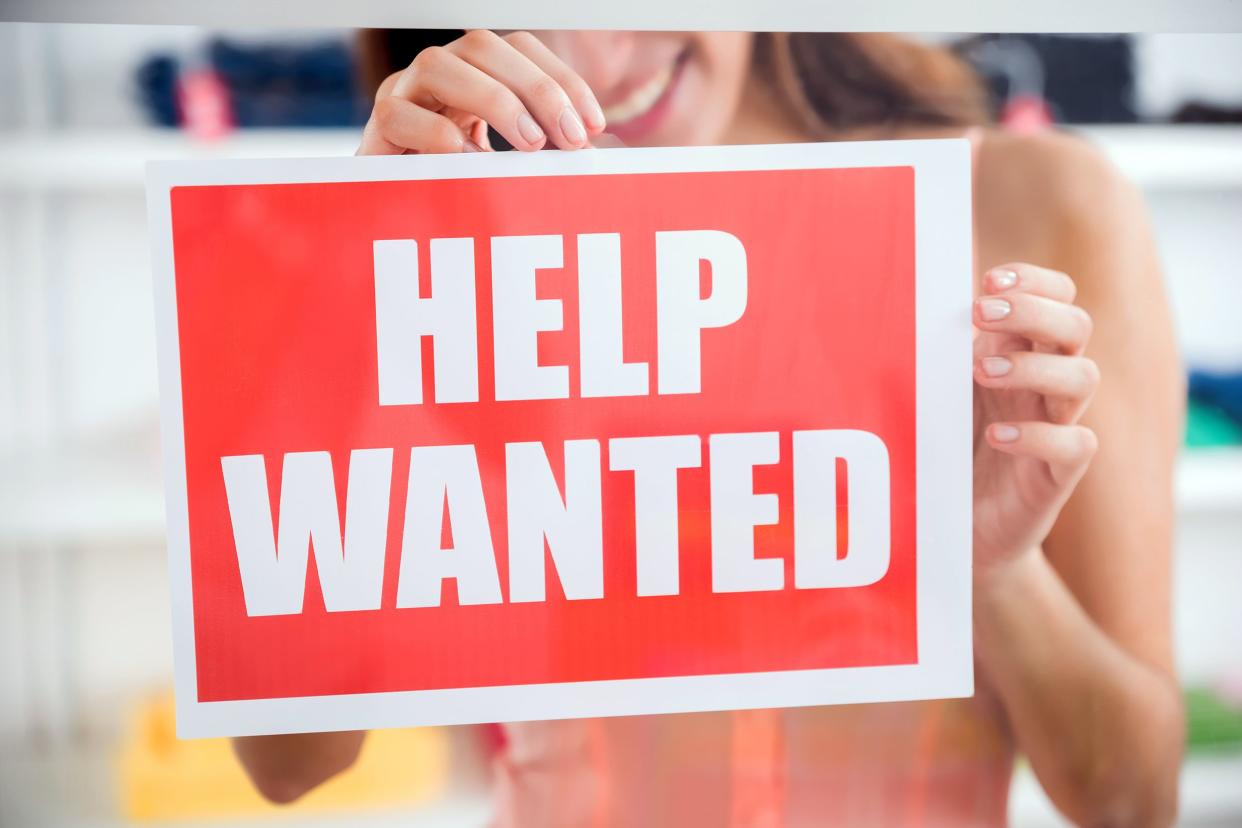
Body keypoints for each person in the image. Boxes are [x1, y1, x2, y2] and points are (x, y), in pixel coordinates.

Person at [234, 31, 1185, 827]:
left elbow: (1136, 798)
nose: (599, 62)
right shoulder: (442, 234)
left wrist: (990, 573)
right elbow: (287, 763)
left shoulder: (1032, 203)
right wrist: (357, 295)